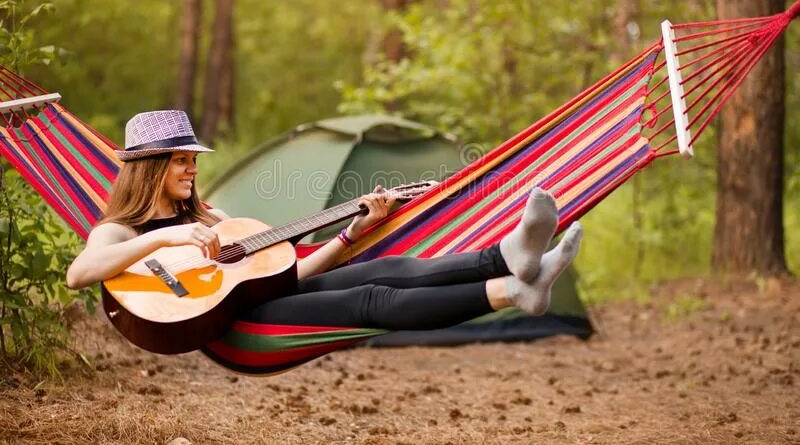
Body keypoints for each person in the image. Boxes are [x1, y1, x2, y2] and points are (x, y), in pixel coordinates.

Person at [66, 110, 583, 331]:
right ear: (150, 168)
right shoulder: (121, 229)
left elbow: (289, 274)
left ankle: (508, 263)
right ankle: (510, 292)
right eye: (181, 160)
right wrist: (171, 235)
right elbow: (80, 273)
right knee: (369, 300)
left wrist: (349, 234)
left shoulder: (215, 220)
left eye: (193, 160)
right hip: (238, 326)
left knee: (386, 267)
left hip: (271, 297)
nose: (192, 169)